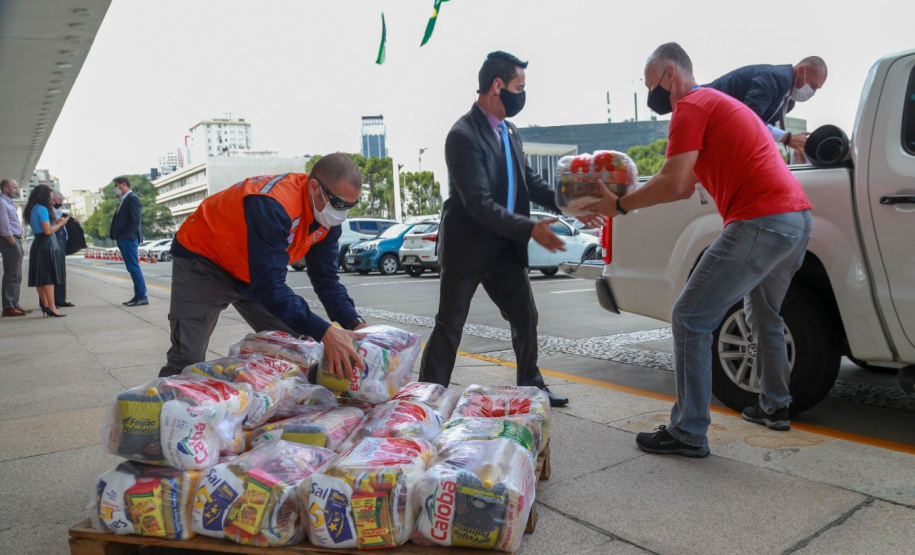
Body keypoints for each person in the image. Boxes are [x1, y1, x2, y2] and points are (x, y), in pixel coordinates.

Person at [585, 43, 812, 457]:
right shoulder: (718, 103)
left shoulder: (690, 105)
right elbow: (685, 184)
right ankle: (774, 407)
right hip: (796, 221)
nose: (653, 93)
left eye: (652, 83)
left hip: (760, 219)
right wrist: (634, 194)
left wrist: (619, 204)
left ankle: (688, 431)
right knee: (765, 313)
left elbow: (673, 182)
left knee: (690, 317)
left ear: (670, 74)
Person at [418, 51, 603, 408]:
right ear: (497, 86)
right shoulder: (462, 134)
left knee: (525, 316)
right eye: (520, 86)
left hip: (505, 248)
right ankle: (427, 396)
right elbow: (478, 202)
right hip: (468, 248)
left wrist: (571, 204)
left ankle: (531, 388)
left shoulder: (511, 132)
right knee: (450, 324)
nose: (522, 94)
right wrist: (531, 228)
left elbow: (529, 182)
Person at [158, 153, 368, 379]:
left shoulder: (327, 220)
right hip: (205, 260)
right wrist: (326, 332)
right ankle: (152, 409)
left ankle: (284, 402)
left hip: (251, 271)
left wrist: (355, 324)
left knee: (297, 348)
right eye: (339, 203)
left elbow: (326, 280)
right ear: (315, 187)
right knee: (187, 358)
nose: (342, 213)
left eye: (351, 205)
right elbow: (268, 286)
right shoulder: (272, 205)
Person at [705, 56, 827, 154]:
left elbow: (761, 129)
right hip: (702, 112)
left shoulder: (788, 103)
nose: (813, 92)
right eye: (813, 85)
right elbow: (749, 120)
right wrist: (787, 138)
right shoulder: (775, 78)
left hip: (716, 131)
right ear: (801, 71)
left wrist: (793, 142)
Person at [23, 185, 69, 317]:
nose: (51, 201)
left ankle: (45, 306)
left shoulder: (31, 209)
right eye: (50, 197)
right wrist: (60, 223)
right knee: (48, 278)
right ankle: (52, 307)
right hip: (47, 243)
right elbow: (47, 230)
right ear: (44, 197)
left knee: (40, 278)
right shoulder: (42, 209)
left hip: (37, 243)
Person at [109, 176, 148, 306]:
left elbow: (135, 220)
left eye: (116, 186)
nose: (115, 189)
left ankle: (142, 296)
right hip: (124, 239)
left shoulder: (132, 198)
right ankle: (138, 295)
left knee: (134, 267)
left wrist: (124, 235)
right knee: (131, 268)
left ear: (123, 184)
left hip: (129, 239)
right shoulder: (124, 199)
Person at [0, 178, 31, 316]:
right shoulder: (1, 203)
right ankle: (8, 307)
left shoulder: (8, 203)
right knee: (11, 275)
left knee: (17, 276)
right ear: (6, 189)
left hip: (14, 240)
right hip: (9, 241)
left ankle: (14, 304)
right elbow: (4, 227)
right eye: (15, 188)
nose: (17, 190)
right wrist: (13, 243)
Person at [51, 191, 74, 308]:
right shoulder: (49, 212)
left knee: (61, 273)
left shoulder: (59, 213)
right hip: (55, 245)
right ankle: (55, 300)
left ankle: (61, 299)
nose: (60, 203)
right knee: (56, 273)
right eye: (59, 201)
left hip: (61, 245)